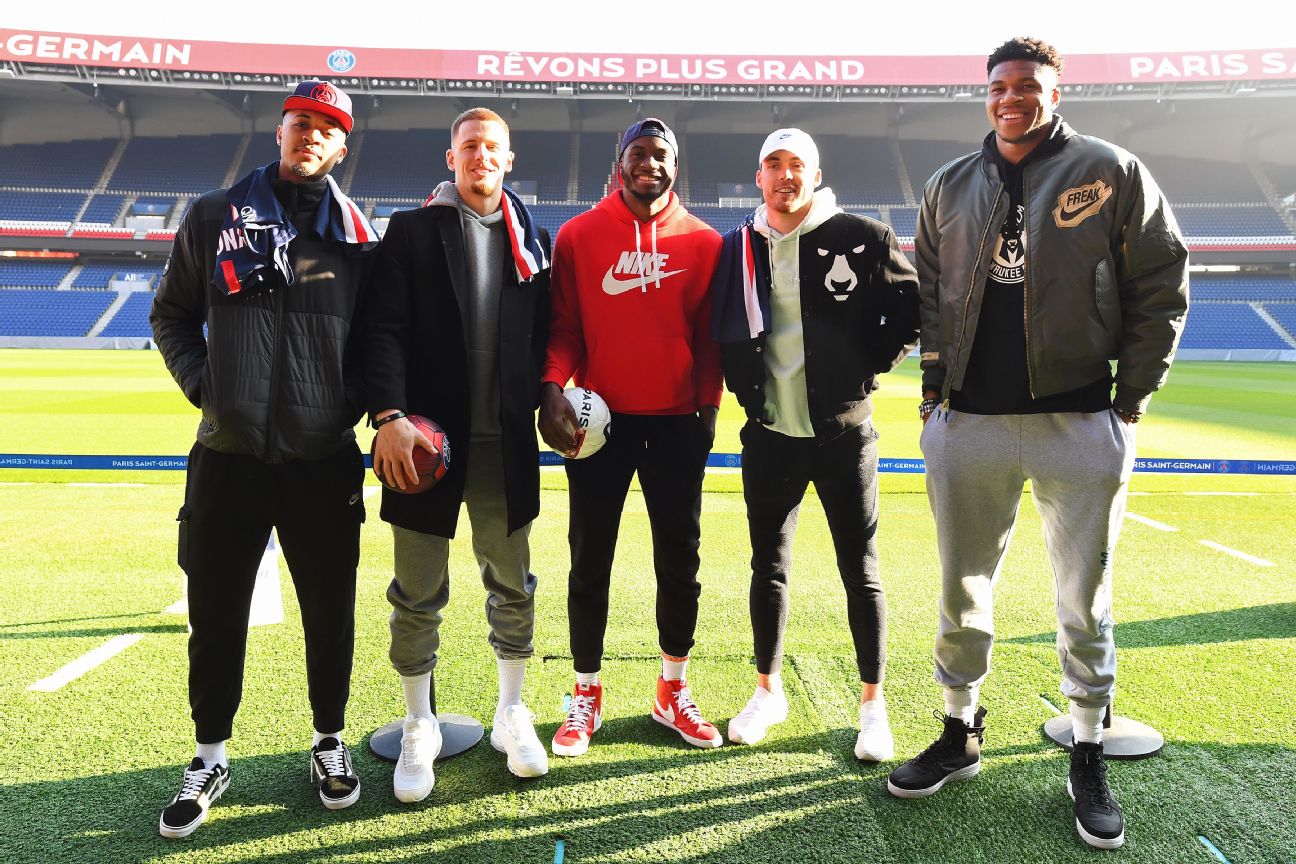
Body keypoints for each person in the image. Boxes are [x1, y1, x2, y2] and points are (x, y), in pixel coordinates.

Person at [886, 38, 1189, 851]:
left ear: (1056, 91)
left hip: (1080, 420)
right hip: (970, 424)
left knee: (1083, 600)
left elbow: (1163, 284)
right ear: (985, 95)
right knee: (962, 590)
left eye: (1027, 86)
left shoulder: (1110, 171)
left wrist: (1130, 403)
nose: (1011, 98)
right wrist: (931, 398)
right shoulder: (949, 184)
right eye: (999, 86)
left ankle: (1086, 749)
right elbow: (930, 298)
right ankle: (960, 731)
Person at [150, 79, 378, 838]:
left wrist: (344, 412)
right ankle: (210, 754)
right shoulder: (216, 216)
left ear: (342, 147)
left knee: (329, 614)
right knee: (216, 615)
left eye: (326, 127)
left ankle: (328, 741)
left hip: (322, 461)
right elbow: (171, 314)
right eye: (299, 123)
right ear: (278, 132)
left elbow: (377, 347)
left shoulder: (356, 238)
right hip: (228, 455)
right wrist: (206, 390)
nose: (310, 135)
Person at [710, 129, 920, 758]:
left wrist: (867, 370)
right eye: (772, 164)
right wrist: (747, 397)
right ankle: (767, 689)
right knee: (767, 569)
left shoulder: (862, 236)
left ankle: (872, 704)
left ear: (815, 172)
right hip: (771, 436)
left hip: (845, 437)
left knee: (861, 570)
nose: (784, 175)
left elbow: (913, 309)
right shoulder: (739, 246)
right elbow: (723, 327)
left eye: (795, 164)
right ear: (759, 177)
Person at [364, 107, 552, 799]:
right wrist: (388, 415)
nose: (480, 157)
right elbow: (381, 330)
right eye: (469, 146)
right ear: (451, 159)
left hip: (505, 444)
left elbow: (547, 335)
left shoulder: (534, 237)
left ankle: (510, 711)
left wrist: (554, 393)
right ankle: (420, 724)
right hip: (424, 447)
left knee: (513, 585)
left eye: (491, 148)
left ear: (509, 158)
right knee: (416, 593)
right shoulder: (412, 231)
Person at [538, 117, 724, 756]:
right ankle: (584, 694)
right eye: (639, 153)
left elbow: (706, 339)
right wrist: (551, 387)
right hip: (599, 425)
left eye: (662, 154)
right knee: (590, 558)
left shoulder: (703, 242)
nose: (651, 164)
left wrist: (707, 410)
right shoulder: (579, 236)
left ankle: (672, 689)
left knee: (681, 560)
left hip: (676, 424)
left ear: (677, 166)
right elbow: (564, 327)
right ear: (620, 163)